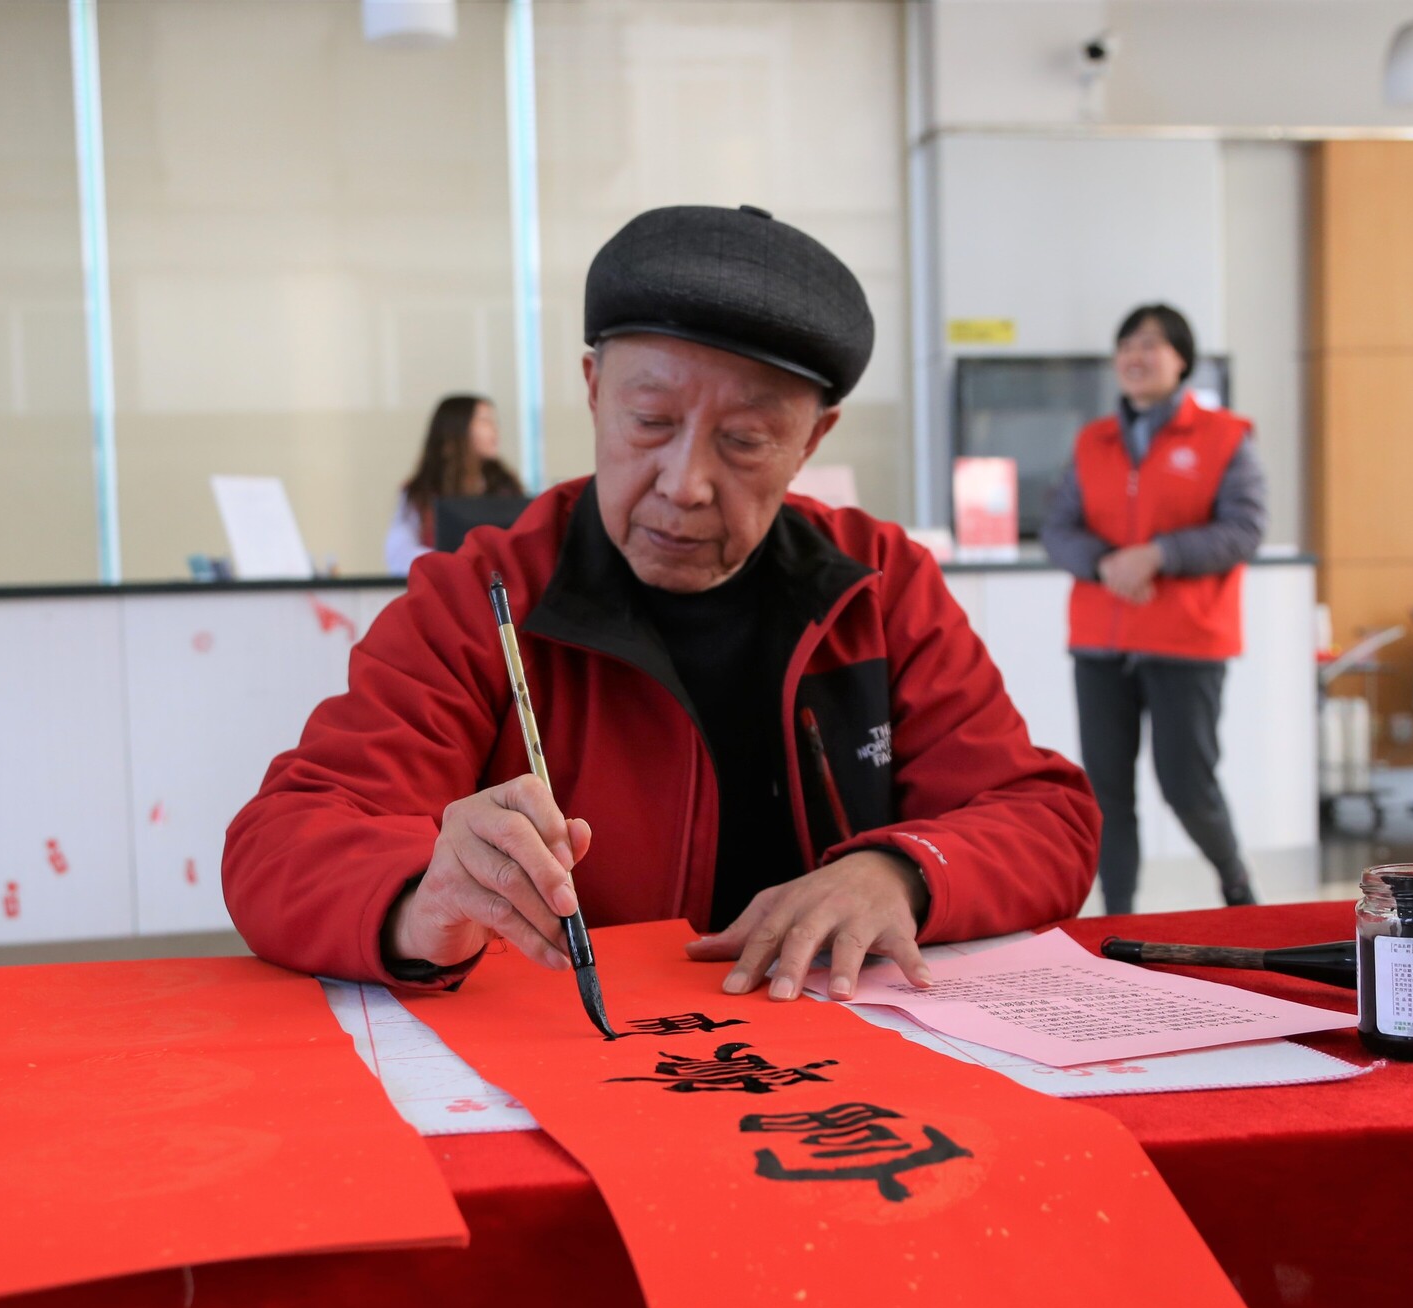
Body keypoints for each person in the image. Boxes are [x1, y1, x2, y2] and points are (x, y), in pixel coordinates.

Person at [224, 205, 1099, 1001]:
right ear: (593, 389)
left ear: (812, 439)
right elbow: (282, 842)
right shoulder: (482, 597)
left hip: (844, 1061)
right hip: (575, 1057)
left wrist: (899, 872)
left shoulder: (877, 584)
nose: (684, 484)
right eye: (649, 421)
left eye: (745, 440)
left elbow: (1045, 818)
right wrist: (422, 899)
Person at [1039, 303, 1267, 917]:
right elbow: (1057, 527)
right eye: (1126, 345)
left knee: (1187, 785)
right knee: (1106, 791)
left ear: (1181, 360)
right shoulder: (1093, 441)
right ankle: (1116, 915)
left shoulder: (1224, 437)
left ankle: (1238, 888)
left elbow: (1244, 528)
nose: (1135, 357)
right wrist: (1106, 563)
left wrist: (1160, 555)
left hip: (1186, 640)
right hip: (1100, 641)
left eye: (1151, 344)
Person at [383, 394, 526, 575]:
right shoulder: (420, 492)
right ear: (458, 429)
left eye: (494, 422)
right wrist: (453, 562)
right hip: (444, 582)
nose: (494, 430)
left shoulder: (506, 487)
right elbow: (399, 554)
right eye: (485, 421)